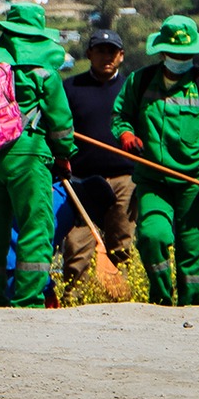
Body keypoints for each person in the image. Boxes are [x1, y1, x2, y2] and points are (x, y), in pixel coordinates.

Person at [111, 15, 199, 307]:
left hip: (195, 183)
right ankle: (161, 299)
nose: (180, 58)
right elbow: (120, 115)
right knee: (152, 236)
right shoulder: (139, 82)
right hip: (153, 180)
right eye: (175, 53)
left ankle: (191, 304)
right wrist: (125, 133)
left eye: (185, 54)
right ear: (162, 51)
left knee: (192, 250)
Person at [0, 4, 75, 307]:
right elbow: (61, 124)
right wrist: (64, 155)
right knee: (35, 226)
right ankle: (28, 299)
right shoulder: (43, 70)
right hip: (26, 155)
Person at [61, 28, 137, 277]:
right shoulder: (70, 88)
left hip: (124, 180)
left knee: (122, 243)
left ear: (121, 56)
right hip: (81, 183)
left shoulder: (132, 91)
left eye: (112, 52)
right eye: (101, 51)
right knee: (76, 246)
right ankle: (74, 300)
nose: (107, 57)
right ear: (89, 54)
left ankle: (122, 302)